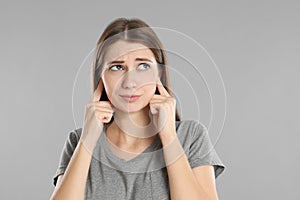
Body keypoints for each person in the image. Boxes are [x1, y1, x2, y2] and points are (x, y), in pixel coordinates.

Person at [50, 17, 225, 200]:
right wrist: (87, 140)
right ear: (101, 76)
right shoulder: (78, 140)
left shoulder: (191, 136)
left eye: (143, 66)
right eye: (117, 67)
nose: (130, 82)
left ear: (159, 72)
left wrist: (168, 136)